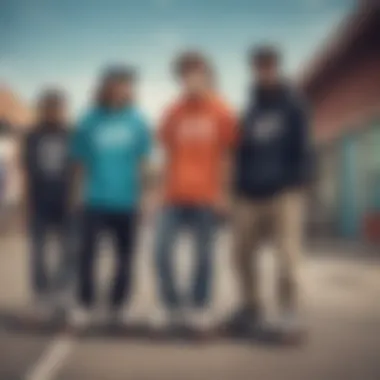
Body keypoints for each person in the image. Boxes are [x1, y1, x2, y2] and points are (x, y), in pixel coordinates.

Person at [228, 45, 311, 341]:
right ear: (254, 70)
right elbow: (241, 153)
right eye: (259, 66)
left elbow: (303, 147)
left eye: (269, 66)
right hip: (249, 195)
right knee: (240, 254)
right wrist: (236, 188)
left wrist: (298, 183)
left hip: (283, 193)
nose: (264, 71)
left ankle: (288, 314)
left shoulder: (293, 105)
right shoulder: (249, 109)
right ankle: (251, 308)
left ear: (277, 68)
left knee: (287, 257)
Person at [154, 52, 236, 334]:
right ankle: (173, 308)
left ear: (207, 75)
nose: (192, 78)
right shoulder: (171, 112)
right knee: (160, 252)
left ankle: (199, 308)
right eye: (186, 73)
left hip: (207, 196)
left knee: (204, 257)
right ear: (181, 79)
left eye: (197, 72)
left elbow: (227, 156)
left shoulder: (222, 111)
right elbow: (165, 154)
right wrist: (156, 192)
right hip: (173, 196)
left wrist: (224, 194)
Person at [69, 66, 152, 327]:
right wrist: (76, 194)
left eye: (126, 85)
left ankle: (119, 305)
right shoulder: (89, 120)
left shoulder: (137, 121)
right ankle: (85, 304)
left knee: (125, 256)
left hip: (127, 201)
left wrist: (146, 198)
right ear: (106, 86)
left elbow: (144, 163)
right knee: (87, 255)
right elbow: (80, 163)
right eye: (116, 84)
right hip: (94, 199)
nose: (121, 89)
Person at [22, 89, 72, 315]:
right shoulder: (33, 135)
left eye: (57, 108)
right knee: (38, 251)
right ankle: (41, 293)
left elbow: (79, 168)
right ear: (42, 110)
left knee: (67, 250)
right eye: (49, 108)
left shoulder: (71, 135)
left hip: (65, 200)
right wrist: (25, 203)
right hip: (39, 200)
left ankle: (60, 291)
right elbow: (25, 170)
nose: (53, 112)